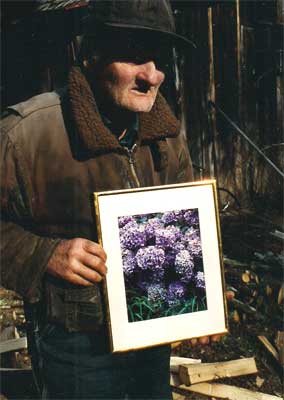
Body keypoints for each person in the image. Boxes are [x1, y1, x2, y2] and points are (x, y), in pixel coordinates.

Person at [1, 1, 222, 399]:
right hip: (74, 345)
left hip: (151, 336)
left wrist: (197, 297)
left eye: (158, 60)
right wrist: (42, 254)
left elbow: (187, 235)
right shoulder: (28, 134)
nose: (152, 75)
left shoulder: (167, 136)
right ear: (91, 56)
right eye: (135, 56)